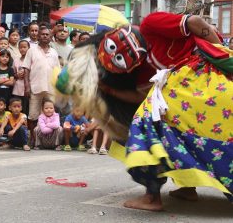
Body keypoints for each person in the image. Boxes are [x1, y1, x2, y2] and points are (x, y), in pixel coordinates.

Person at [60, 12, 233, 211]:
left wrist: (219, 56)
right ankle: (187, 186)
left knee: (143, 132)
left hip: (209, 88)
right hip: (191, 104)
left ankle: (152, 197)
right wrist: (110, 90)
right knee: (175, 136)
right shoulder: (138, 72)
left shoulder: (151, 25)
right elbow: (142, 96)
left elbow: (194, 22)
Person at [23, 27, 60, 143]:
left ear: (50, 37)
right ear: (38, 36)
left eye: (47, 35)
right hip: (35, 87)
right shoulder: (31, 50)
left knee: (50, 114)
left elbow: (57, 71)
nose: (44, 36)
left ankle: (49, 140)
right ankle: (33, 139)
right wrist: (27, 86)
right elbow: (26, 69)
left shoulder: (53, 52)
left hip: (51, 88)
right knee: (33, 115)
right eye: (42, 34)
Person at [12, 40, 30, 115]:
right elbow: (12, 73)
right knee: (17, 108)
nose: (22, 49)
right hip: (17, 89)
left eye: (24, 47)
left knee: (26, 109)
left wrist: (27, 74)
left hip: (28, 88)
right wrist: (17, 75)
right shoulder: (16, 60)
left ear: (29, 48)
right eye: (20, 47)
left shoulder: (32, 60)